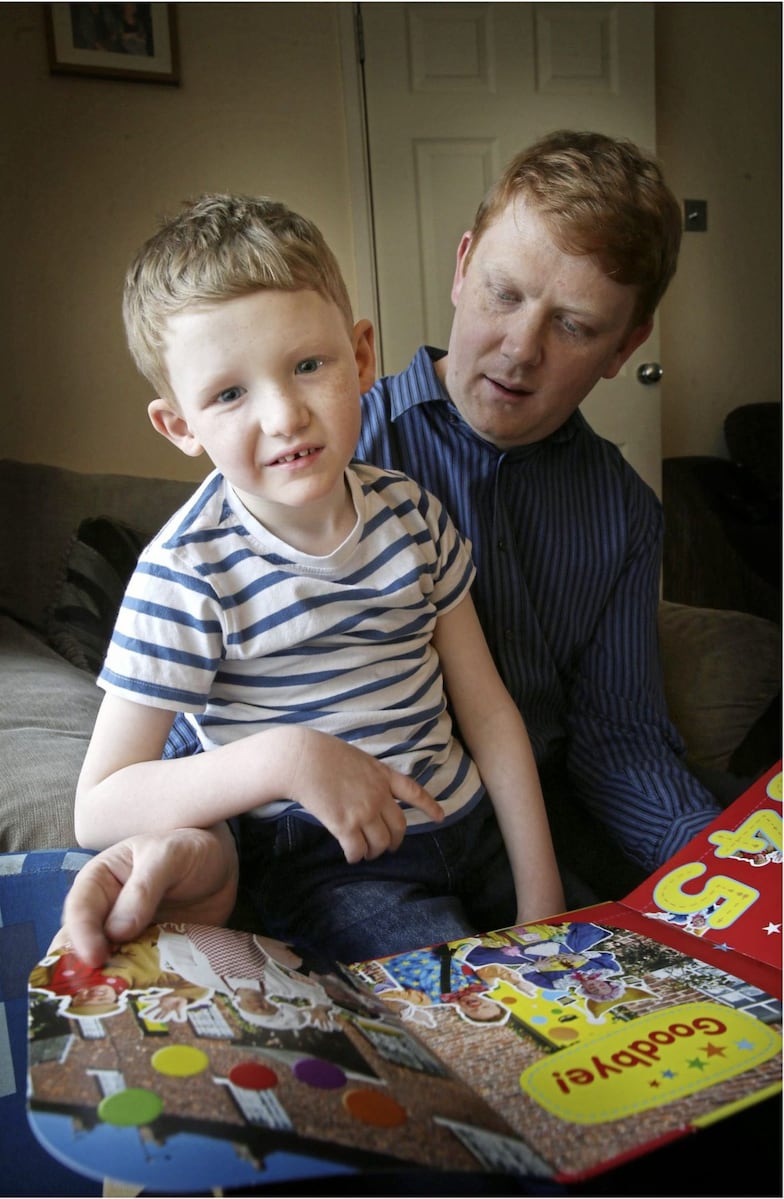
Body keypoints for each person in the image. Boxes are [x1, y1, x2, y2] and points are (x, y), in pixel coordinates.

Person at [62, 129, 724, 968]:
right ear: (462, 266)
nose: (521, 349)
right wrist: (228, 825)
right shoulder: (299, 468)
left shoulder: (591, 514)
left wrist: (722, 864)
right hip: (341, 859)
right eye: (503, 294)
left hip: (501, 827)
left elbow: (611, 736)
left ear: (625, 348)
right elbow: (196, 732)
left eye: (576, 325)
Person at [72, 192, 564, 968]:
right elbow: (98, 805)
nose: (284, 415)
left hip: (471, 827)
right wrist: (287, 757)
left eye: (308, 365)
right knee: (464, 1031)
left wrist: (544, 894)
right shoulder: (187, 572)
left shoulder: (411, 513)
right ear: (179, 426)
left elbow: (490, 713)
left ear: (361, 356)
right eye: (230, 393)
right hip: (336, 869)